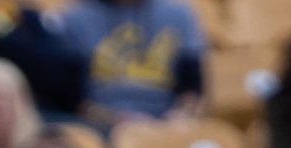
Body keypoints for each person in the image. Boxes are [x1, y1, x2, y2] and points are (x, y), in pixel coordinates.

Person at [55, 0, 204, 127]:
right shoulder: (74, 18)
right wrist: (114, 119)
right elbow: (71, 99)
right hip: (100, 123)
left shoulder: (178, 13)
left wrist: (180, 116)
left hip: (167, 118)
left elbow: (192, 86)